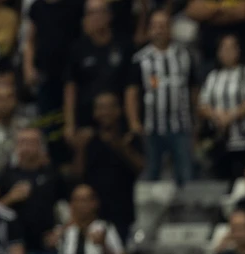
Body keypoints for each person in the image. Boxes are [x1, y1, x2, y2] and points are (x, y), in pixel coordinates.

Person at [126, 9, 196, 186]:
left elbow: (194, 89)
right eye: (155, 26)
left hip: (181, 125)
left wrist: (197, 120)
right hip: (151, 127)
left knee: (185, 174)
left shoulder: (185, 55)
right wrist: (134, 121)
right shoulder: (140, 59)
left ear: (170, 28)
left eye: (163, 26)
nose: (159, 30)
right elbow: (132, 93)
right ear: (149, 29)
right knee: (151, 174)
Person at [76, 92, 145, 238]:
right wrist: (80, 149)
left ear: (119, 110)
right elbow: (78, 175)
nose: (104, 112)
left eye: (108, 108)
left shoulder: (129, 138)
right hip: (93, 216)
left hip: (122, 214)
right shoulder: (88, 140)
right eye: (100, 108)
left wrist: (119, 145)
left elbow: (141, 168)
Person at [198, 35, 245, 183]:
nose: (227, 52)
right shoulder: (213, 76)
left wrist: (231, 116)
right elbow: (202, 105)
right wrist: (216, 116)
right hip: (221, 144)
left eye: (231, 47)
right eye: (224, 48)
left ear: (239, 50)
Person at [63, 0, 130, 146]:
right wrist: (69, 124)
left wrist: (132, 123)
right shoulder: (78, 49)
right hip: (87, 121)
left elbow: (131, 86)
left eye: (99, 12)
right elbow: (70, 88)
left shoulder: (123, 46)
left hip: (119, 122)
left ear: (109, 15)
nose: (95, 17)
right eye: (90, 13)